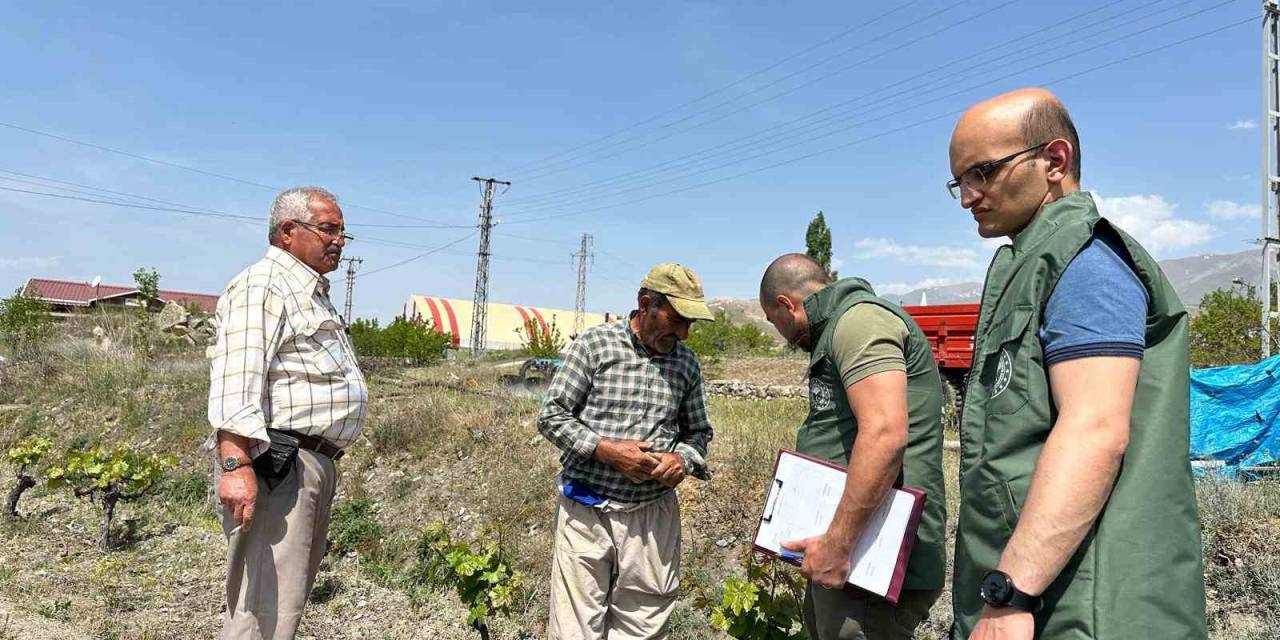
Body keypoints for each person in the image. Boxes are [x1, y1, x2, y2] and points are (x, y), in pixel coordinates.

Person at [946, 88, 1206, 639]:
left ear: (1054, 161)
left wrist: (1011, 592)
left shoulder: (1086, 265)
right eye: (960, 182)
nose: (969, 197)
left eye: (983, 173)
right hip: (1053, 593)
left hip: (1083, 605)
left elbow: (1094, 430)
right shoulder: (1037, 261)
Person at [208, 186, 368, 639]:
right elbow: (238, 377)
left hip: (310, 465)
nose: (338, 240)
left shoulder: (311, 292)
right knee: (261, 607)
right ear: (287, 232)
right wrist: (236, 464)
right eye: (329, 229)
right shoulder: (265, 285)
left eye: (343, 232)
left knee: (283, 604)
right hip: (279, 465)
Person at [759, 254, 946, 639]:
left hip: (872, 554)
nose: (778, 332)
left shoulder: (858, 322)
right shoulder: (838, 328)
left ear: (785, 305)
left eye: (772, 321)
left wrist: (838, 545)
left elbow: (884, 434)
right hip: (854, 551)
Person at [538, 263, 716, 640]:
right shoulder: (595, 346)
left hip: (651, 517)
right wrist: (604, 450)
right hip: (587, 510)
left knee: (644, 627)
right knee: (574, 630)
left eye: (690, 324)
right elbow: (551, 415)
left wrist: (681, 459)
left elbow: (698, 432)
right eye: (677, 318)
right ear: (646, 303)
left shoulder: (686, 363)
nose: (683, 333)